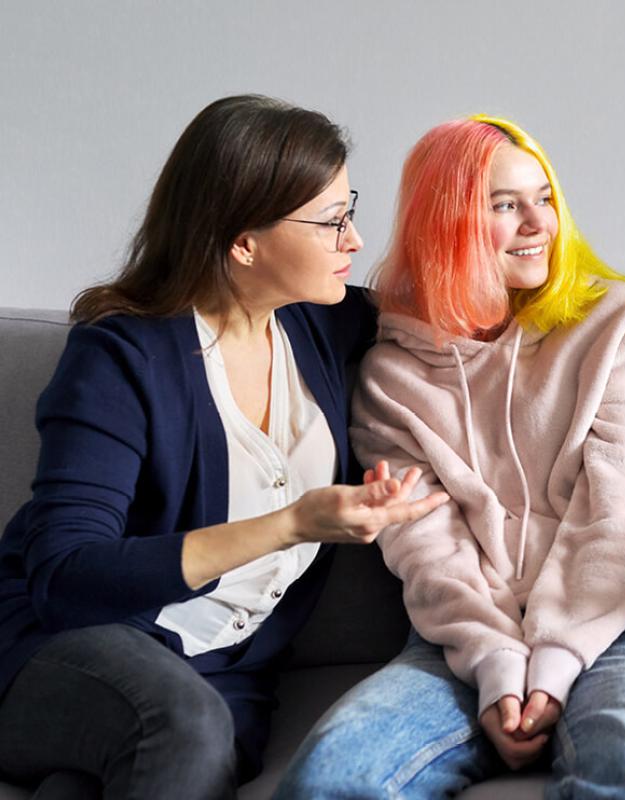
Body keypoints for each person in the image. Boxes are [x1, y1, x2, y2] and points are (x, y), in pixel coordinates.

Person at [0, 95, 448, 798]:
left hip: (228, 676)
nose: (356, 241)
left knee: (123, 768)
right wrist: (291, 524)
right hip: (69, 648)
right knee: (181, 726)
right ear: (245, 243)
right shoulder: (120, 358)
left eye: (348, 209)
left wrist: (609, 299)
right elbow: (65, 575)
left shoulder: (315, 327)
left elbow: (456, 294)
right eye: (331, 222)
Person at [276, 115, 625, 798]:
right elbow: (426, 544)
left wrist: (558, 659)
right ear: (446, 221)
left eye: (544, 199)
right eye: (506, 205)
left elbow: (619, 517)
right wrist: (494, 667)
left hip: (619, 615)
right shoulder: (389, 378)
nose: (540, 222)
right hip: (460, 637)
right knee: (332, 776)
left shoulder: (617, 325)